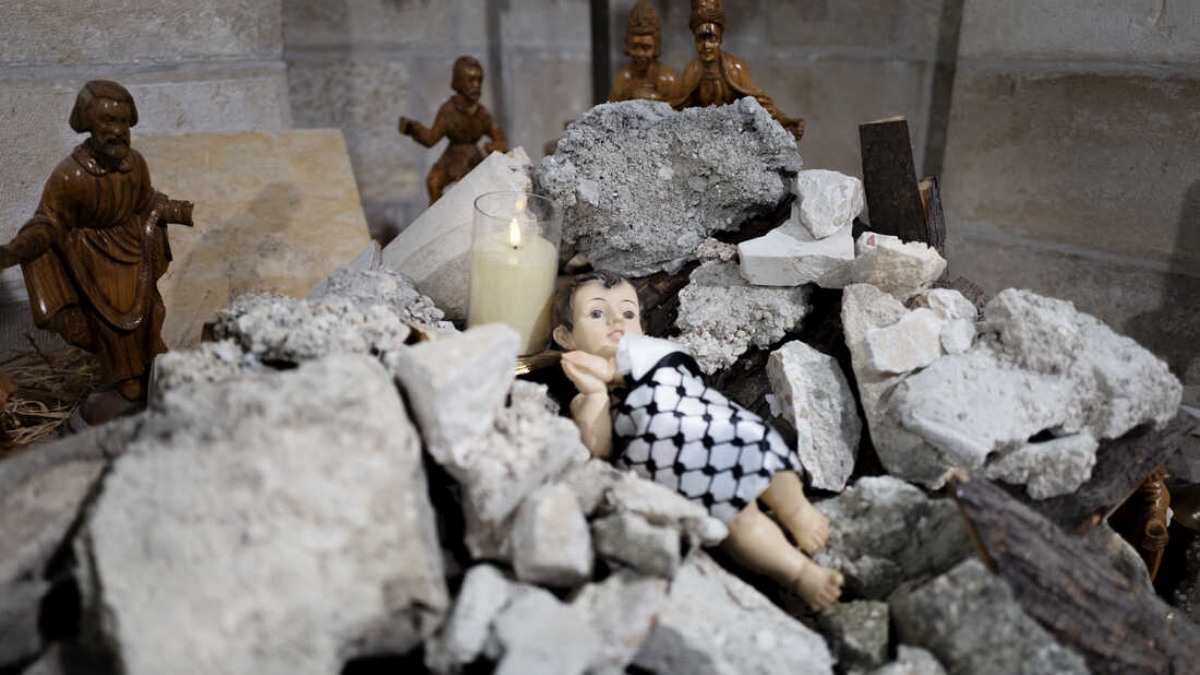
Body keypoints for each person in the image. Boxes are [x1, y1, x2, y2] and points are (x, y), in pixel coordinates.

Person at [552, 270, 843, 610]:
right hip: (679, 464)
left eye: (628, 313)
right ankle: (800, 574)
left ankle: (797, 511)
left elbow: (675, 362)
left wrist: (613, 371)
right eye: (596, 313)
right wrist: (595, 393)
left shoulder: (654, 352)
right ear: (566, 336)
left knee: (765, 453)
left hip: (718, 425)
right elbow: (598, 451)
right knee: (739, 519)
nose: (616, 320)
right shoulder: (585, 398)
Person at [0, 80, 193, 415]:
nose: (117, 130)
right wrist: (14, 251)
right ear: (87, 123)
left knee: (150, 310)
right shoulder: (70, 175)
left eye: (123, 121)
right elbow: (49, 221)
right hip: (91, 260)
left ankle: (149, 369)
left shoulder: (135, 164)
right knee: (110, 326)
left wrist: (179, 211)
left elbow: (145, 201)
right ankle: (125, 382)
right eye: (108, 121)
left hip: (133, 251)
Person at [672, 0, 805, 141]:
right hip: (704, 138)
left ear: (720, 40)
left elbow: (759, 104)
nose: (706, 46)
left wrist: (785, 121)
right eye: (700, 40)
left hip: (735, 136)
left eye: (712, 39)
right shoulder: (691, 72)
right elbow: (677, 108)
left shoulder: (735, 68)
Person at [399, 55, 508, 204]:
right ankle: (437, 215)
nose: (476, 85)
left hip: (473, 160)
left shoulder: (482, 113)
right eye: (471, 80)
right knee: (433, 181)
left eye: (479, 80)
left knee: (474, 192)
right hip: (451, 158)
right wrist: (413, 128)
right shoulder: (448, 111)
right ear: (459, 81)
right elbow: (431, 138)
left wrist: (496, 146)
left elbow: (498, 135)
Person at [609, 0, 678, 102]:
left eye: (646, 48)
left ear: (656, 47)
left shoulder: (668, 79)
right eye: (634, 47)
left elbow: (677, 110)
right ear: (628, 45)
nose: (639, 54)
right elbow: (612, 109)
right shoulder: (623, 79)